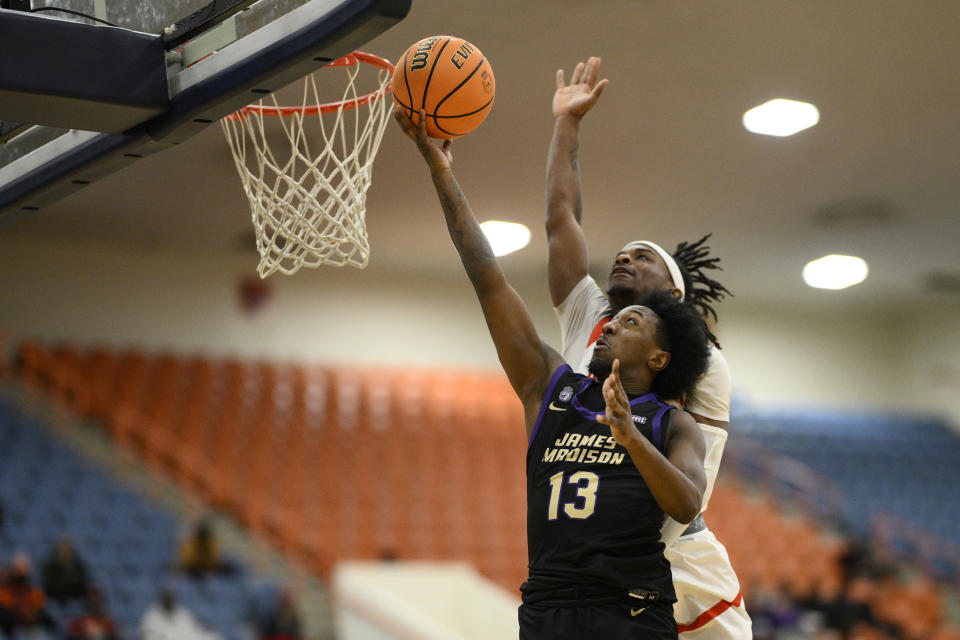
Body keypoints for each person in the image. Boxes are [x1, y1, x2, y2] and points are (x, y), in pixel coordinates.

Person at [396, 108, 711, 639]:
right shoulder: (552, 384)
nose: (608, 328)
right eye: (611, 321)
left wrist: (629, 436)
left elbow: (686, 501)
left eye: (629, 323)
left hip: (630, 609)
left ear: (660, 358)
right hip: (547, 607)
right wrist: (441, 172)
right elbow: (487, 277)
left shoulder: (670, 424)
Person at [544, 56, 751, 637]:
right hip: (603, 550)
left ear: (674, 297)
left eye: (644, 257)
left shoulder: (707, 365)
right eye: (623, 253)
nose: (625, 258)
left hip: (676, 557)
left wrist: (619, 555)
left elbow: (691, 486)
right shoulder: (591, 316)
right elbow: (561, 221)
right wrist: (566, 127)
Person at [0, 552, 56, 638]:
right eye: (19, 568)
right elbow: (6, 605)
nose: (21, 571)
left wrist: (31, 613)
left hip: (29, 628)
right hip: (14, 628)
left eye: (24, 568)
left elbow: (39, 605)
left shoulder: (32, 589)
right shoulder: (6, 589)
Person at [139, 587, 222, 640]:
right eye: (167, 598)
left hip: (185, 636)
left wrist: (204, 627)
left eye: (171, 598)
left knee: (213, 636)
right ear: (162, 599)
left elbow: (194, 626)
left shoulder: (183, 612)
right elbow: (147, 633)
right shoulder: (152, 614)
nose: (169, 600)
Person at [41, 535, 90, 606]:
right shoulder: (50, 567)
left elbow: (82, 582)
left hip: (75, 601)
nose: (65, 551)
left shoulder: (78, 566)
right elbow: (49, 583)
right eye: (63, 548)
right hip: (54, 600)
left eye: (68, 548)